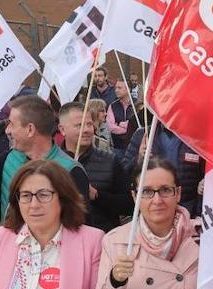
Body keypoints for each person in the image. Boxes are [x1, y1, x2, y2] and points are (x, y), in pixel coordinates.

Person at [0, 160, 104, 289]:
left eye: (43, 195)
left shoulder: (92, 241)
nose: (34, 204)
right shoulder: (0, 238)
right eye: (26, 196)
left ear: (64, 198)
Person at [93, 158, 202, 289]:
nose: (157, 200)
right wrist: (115, 281)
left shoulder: (202, 237)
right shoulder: (115, 242)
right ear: (134, 196)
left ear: (178, 194)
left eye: (165, 190)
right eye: (147, 191)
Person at [58, 102, 132, 232]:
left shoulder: (110, 161)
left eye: (89, 124)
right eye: (79, 125)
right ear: (62, 129)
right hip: (64, 240)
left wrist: (97, 196)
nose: (86, 130)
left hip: (103, 240)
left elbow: (129, 204)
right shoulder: (52, 164)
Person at [123, 123, 205, 216]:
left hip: (188, 208)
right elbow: (125, 172)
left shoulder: (197, 137)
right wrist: (139, 158)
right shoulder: (143, 135)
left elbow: (207, 171)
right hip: (154, 205)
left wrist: (203, 185)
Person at [107, 80, 139, 153]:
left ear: (128, 89)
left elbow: (138, 125)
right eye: (116, 88)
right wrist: (129, 128)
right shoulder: (112, 106)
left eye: (119, 88)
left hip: (134, 148)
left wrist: (119, 124)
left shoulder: (137, 104)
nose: (116, 90)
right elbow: (111, 127)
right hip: (117, 147)